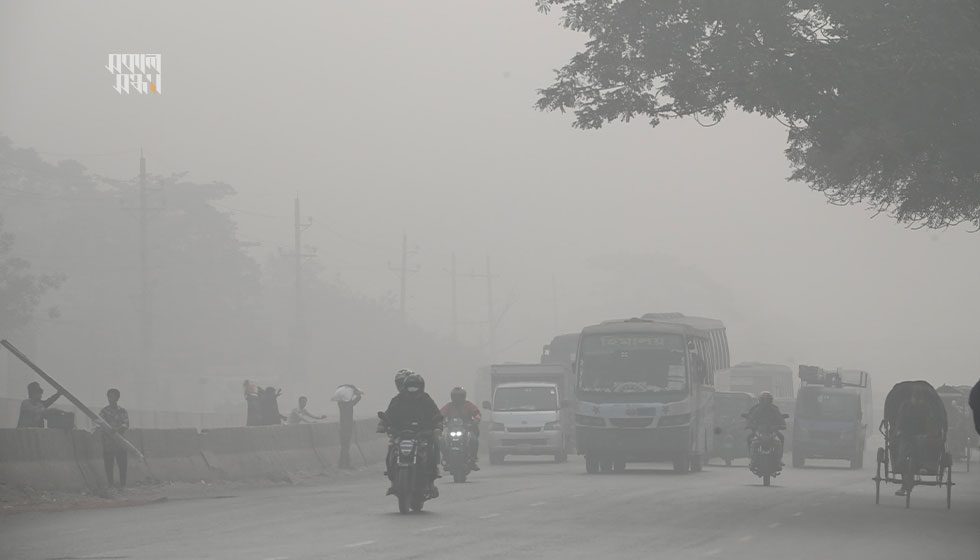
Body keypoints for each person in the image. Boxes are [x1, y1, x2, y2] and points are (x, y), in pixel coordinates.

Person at [383, 373, 443, 496]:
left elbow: (436, 415)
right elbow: (388, 414)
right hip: (401, 434)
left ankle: (431, 479)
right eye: (410, 387)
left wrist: (437, 426)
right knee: (391, 451)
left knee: (432, 447)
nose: (412, 390)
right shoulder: (397, 400)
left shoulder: (426, 399)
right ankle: (393, 481)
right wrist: (383, 424)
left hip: (421, 434)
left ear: (421, 387)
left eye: (415, 387)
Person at [894, 390, 934, 496]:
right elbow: (899, 419)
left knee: (921, 449)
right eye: (915, 399)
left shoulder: (925, 408)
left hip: (919, 435)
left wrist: (927, 433)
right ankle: (904, 484)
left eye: (919, 399)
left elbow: (929, 422)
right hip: (906, 435)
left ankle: (922, 466)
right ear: (911, 398)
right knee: (901, 460)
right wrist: (898, 430)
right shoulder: (905, 407)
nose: (917, 401)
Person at [440, 387, 482, 470]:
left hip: (466, 429)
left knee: (473, 439)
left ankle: (473, 460)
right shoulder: (449, 406)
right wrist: (440, 421)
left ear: (464, 396)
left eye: (459, 396)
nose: (457, 398)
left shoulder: (468, 405)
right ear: (452, 397)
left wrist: (475, 421)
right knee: (442, 441)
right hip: (451, 429)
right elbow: (440, 415)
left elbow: (477, 414)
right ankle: (446, 458)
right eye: (455, 396)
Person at [99, 388, 130, 489]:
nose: (112, 398)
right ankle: (110, 485)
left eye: (114, 396)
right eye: (110, 396)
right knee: (109, 466)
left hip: (120, 443)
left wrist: (118, 429)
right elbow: (100, 424)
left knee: (122, 465)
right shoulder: (104, 411)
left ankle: (123, 485)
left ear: (118, 397)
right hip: (108, 444)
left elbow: (126, 424)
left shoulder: (122, 411)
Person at [745, 391, 786, 465]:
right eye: (763, 400)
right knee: (749, 438)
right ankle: (751, 457)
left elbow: (780, 419)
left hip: (772, 430)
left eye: (767, 400)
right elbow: (751, 418)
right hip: (759, 430)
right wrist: (748, 425)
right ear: (760, 400)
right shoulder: (756, 409)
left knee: (781, 438)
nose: (765, 402)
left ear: (770, 401)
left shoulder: (774, 409)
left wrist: (782, 425)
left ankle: (779, 458)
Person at [333, 384, 363, 469]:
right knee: (346, 446)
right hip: (347, 427)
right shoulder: (349, 404)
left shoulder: (340, 404)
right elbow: (358, 398)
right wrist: (355, 390)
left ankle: (344, 463)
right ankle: (344, 464)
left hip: (342, 427)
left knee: (344, 446)